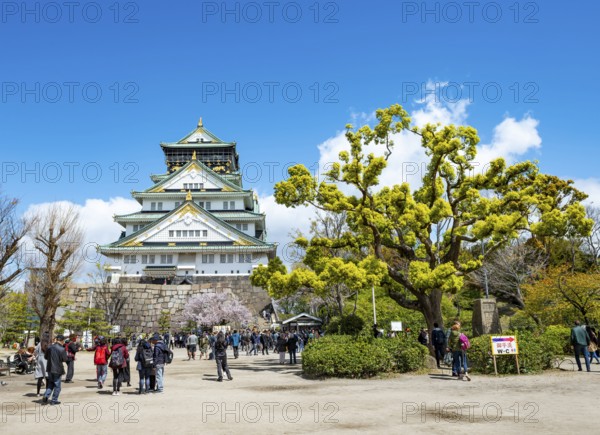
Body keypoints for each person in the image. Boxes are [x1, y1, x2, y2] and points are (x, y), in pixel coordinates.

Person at [43, 334, 68, 405]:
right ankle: (54, 400)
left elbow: (46, 357)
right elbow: (65, 359)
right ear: (62, 341)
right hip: (57, 368)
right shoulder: (62, 349)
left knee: (51, 383)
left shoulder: (49, 347)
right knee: (57, 385)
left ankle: (46, 395)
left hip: (50, 367)